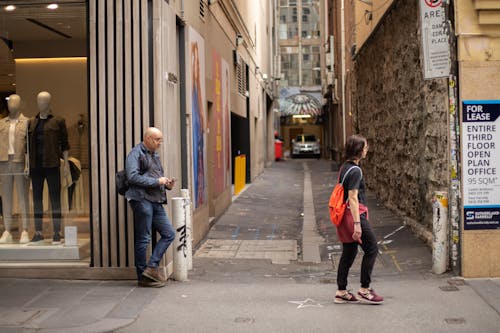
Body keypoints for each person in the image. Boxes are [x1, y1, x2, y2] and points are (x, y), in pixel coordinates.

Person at [334, 134, 384, 305]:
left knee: (349, 252)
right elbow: (353, 198)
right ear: (358, 150)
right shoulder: (356, 170)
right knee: (371, 249)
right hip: (353, 215)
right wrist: (357, 224)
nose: (367, 150)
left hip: (343, 216)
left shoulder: (344, 167)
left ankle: (341, 291)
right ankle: (365, 289)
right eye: (365, 147)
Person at [125, 127, 176, 288]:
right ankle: (142, 276)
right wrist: (157, 182)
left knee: (169, 233)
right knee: (144, 238)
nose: (160, 143)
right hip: (141, 200)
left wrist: (166, 184)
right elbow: (132, 177)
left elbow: (155, 177)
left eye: (161, 140)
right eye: (157, 140)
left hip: (156, 201)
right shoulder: (135, 154)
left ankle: (151, 267)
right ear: (147, 139)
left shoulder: (154, 154)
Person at [28, 91, 70, 244]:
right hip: (35, 166)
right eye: (39, 101)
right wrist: (28, 165)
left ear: (49, 102)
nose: (41, 104)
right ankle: (38, 232)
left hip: (52, 165)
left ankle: (57, 232)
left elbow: (65, 144)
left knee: (55, 199)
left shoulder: (59, 121)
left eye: (44, 101)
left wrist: (65, 165)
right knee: (37, 199)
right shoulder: (31, 122)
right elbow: (27, 147)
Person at [0, 94, 30, 244]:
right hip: (4, 162)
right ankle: (7, 230)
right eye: (10, 101)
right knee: (6, 197)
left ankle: (24, 229)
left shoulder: (26, 122)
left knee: (23, 196)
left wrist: (27, 164)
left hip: (19, 161)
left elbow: (29, 147)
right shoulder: (1, 123)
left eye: (15, 101)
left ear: (20, 104)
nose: (12, 104)